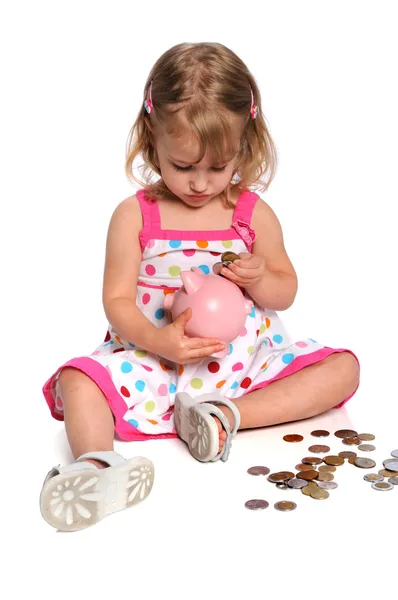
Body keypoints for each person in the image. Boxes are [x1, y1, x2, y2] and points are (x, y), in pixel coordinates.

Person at [40, 42, 360, 532]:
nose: (199, 184)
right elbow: (117, 301)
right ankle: (99, 466)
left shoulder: (251, 214)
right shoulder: (135, 215)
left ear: (244, 145)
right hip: (154, 361)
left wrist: (261, 277)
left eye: (218, 167)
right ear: (152, 137)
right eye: (184, 166)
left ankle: (224, 416)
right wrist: (160, 341)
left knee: (343, 370)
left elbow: (285, 290)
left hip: (241, 362)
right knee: (77, 379)